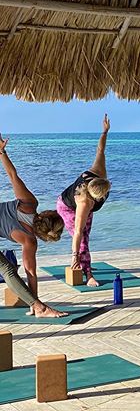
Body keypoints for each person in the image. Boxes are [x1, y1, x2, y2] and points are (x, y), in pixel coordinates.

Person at [0, 134, 67, 318]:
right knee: (7, 270)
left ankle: (37, 307)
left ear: (48, 214)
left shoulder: (29, 203)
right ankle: (39, 308)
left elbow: (13, 176)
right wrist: (35, 302)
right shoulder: (30, 241)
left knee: (7, 269)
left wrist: (2, 152)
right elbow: (31, 274)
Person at [57, 115, 112, 287]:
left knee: (86, 235)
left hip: (80, 200)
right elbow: (78, 232)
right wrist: (74, 255)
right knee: (82, 238)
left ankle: (85, 262)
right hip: (66, 207)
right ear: (95, 197)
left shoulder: (98, 171)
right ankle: (87, 273)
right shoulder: (84, 203)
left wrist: (105, 131)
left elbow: (100, 150)